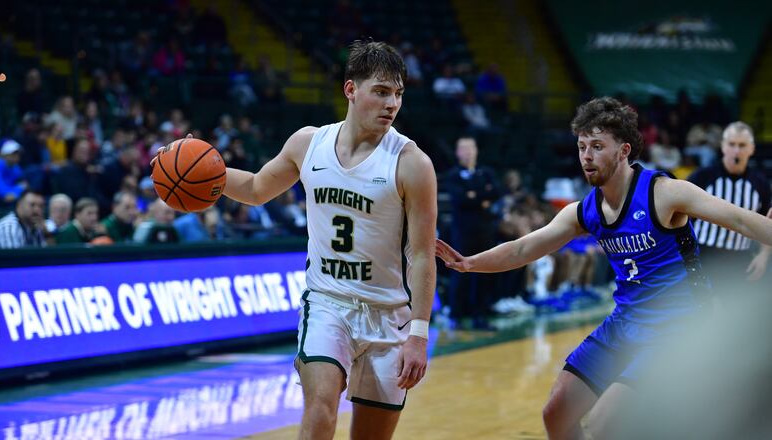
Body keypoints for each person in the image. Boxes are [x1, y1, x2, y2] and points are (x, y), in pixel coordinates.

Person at [435, 97, 772, 439]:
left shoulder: (665, 192)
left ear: (624, 150)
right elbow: (524, 247)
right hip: (625, 322)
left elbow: (739, 220)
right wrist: (469, 263)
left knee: (604, 425)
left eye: (597, 146)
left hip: (676, 326)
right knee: (556, 413)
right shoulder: (585, 210)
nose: (586, 155)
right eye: (582, 146)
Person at [152, 39, 437, 440]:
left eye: (398, 94)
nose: (392, 104)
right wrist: (188, 162)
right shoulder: (308, 143)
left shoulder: (412, 164)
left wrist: (419, 335)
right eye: (381, 91)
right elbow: (254, 188)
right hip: (328, 303)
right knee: (321, 404)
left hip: (388, 314)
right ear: (350, 90)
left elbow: (423, 255)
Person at [688, 121, 771, 296]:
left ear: (752, 149)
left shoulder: (760, 184)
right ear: (723, 146)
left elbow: (767, 222)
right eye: (732, 144)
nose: (736, 150)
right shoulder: (702, 177)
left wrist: (763, 255)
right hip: (703, 255)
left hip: (739, 260)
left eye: (742, 145)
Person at [442, 136, 499, 328]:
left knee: (483, 272)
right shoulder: (453, 175)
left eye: (470, 148)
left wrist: (474, 195)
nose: (467, 152)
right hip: (462, 231)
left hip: (484, 230)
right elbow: (460, 199)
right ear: (458, 153)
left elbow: (496, 192)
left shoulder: (486, 172)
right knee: (460, 272)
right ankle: (456, 315)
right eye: (463, 149)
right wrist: (481, 197)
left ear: (476, 150)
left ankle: (480, 315)